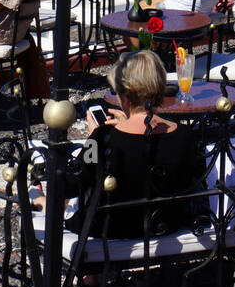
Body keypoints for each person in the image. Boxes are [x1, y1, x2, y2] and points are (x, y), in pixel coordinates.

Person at [69, 51, 203, 240]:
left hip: (112, 230)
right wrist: (126, 123)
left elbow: (75, 183)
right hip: (165, 225)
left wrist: (93, 137)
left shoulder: (104, 137)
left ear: (126, 97)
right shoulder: (186, 136)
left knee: (47, 201)